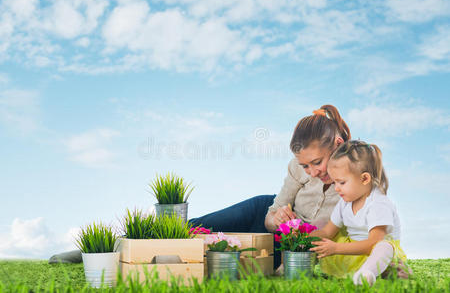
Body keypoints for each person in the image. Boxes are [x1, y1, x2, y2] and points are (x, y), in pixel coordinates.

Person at [50, 104, 350, 265]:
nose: (311, 172)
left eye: (317, 163)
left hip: (292, 246)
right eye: (304, 166)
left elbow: (374, 221)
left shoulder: (357, 176)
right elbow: (273, 213)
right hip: (263, 215)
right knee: (196, 227)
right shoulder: (299, 170)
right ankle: (105, 248)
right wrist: (277, 219)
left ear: (338, 145)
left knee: (209, 254)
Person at [309, 140, 409, 285]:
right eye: (334, 182)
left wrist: (336, 248)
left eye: (341, 183)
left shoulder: (378, 203)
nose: (336, 188)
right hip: (355, 251)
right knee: (323, 231)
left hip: (377, 253)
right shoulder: (344, 202)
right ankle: (361, 271)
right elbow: (327, 232)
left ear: (364, 179)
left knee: (384, 246)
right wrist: (304, 236)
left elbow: (372, 243)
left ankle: (366, 274)